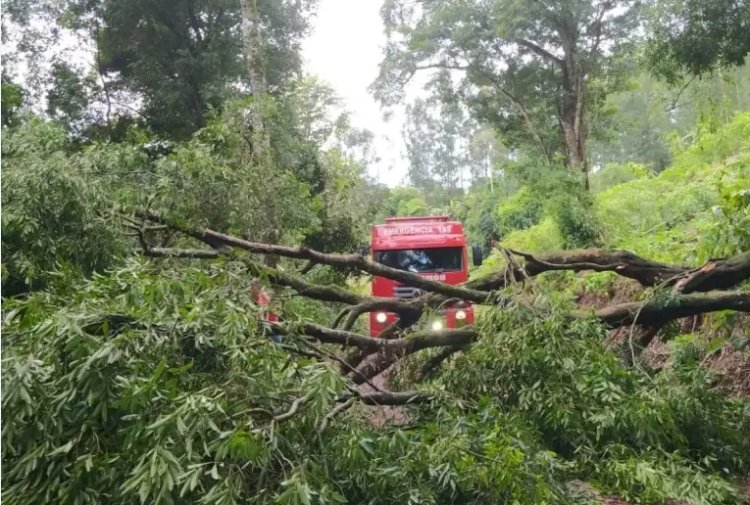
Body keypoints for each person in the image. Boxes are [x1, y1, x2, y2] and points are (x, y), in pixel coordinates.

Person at [249, 278, 282, 343]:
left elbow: (261, 316)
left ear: (256, 287)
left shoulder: (263, 297)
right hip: (270, 330)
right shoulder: (260, 296)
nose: (250, 289)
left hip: (272, 333)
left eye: (251, 286)